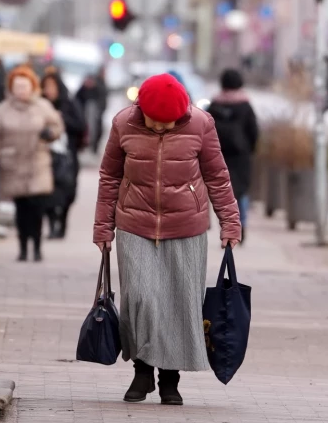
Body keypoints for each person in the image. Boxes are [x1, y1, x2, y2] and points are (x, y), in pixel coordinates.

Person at [94, 73, 241, 406]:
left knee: (179, 303)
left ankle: (169, 381)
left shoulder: (201, 124)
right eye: (154, 122)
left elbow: (217, 175)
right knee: (142, 298)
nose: (160, 128)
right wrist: (102, 227)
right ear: (139, 109)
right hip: (134, 223)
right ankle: (142, 371)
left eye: (168, 123)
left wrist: (230, 222)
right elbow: (109, 177)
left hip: (186, 226)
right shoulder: (123, 124)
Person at [0, 65, 64, 262]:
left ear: (32, 87)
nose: (21, 90)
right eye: (17, 87)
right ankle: (22, 248)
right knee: (21, 211)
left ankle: (37, 247)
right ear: (11, 88)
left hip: (37, 164)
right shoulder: (3, 110)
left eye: (25, 86)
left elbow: (57, 125)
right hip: (12, 165)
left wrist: (50, 134)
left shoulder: (42, 106)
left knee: (36, 209)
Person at [206, 69, 259, 242]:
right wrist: (250, 150)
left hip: (217, 154)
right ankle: (240, 225)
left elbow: (204, 130)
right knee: (241, 192)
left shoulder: (214, 105)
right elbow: (253, 132)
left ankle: (226, 225)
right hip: (240, 156)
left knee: (220, 191)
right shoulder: (245, 106)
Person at [41, 71, 87, 239]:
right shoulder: (41, 105)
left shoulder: (69, 104)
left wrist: (62, 120)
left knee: (68, 192)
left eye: (52, 86)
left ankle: (62, 221)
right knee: (47, 192)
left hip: (68, 156)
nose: (49, 90)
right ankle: (53, 224)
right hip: (46, 155)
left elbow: (80, 125)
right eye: (46, 87)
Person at [75, 69, 108, 155]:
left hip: (95, 118)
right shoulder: (82, 91)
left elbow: (102, 102)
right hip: (82, 117)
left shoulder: (98, 90)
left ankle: (93, 148)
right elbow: (76, 101)